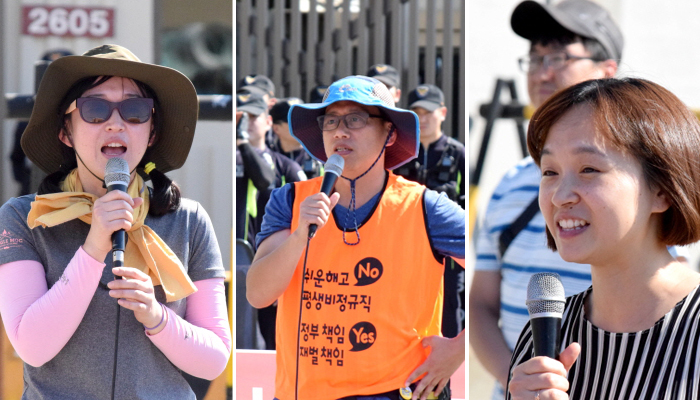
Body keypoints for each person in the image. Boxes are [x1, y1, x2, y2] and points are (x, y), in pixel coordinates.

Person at [0, 44, 231, 399]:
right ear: (66, 131)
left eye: (136, 110)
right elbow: (32, 346)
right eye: (95, 108)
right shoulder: (23, 218)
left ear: (152, 132)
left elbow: (215, 359)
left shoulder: (189, 221)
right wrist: (94, 247)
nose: (115, 123)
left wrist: (158, 317)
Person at [246, 75, 466, 400]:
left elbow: (496, 269)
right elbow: (258, 294)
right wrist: (299, 237)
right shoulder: (290, 201)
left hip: (393, 391)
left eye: (356, 119)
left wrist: (457, 351)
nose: (340, 131)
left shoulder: (423, 206)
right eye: (330, 120)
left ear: (389, 133)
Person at [470, 2, 627, 398]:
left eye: (559, 56)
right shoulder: (509, 183)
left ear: (607, 71)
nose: (543, 71)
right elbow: (481, 303)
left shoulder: (634, 184)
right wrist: (522, 381)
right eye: (535, 57)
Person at [507, 77, 700, 400]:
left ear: (662, 190)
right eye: (549, 172)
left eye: (589, 170)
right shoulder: (542, 338)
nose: (560, 196)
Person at [236, 86, 306, 350]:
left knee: (275, 339)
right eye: (240, 117)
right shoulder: (228, 158)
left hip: (271, 261)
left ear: (268, 123)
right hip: (237, 261)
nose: (246, 124)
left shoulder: (286, 167)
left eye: (253, 117)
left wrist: (242, 143)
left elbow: (264, 179)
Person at [394, 83, 466, 339]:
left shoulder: (458, 154)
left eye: (429, 112)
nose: (423, 119)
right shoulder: (400, 154)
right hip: (406, 247)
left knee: (449, 310)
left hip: (446, 250)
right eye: (417, 113)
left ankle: (450, 376)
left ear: (443, 113)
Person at [269, 97, 323, 180]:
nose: (302, 124)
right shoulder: (268, 158)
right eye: (293, 121)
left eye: (305, 119)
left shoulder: (321, 156)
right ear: (276, 128)